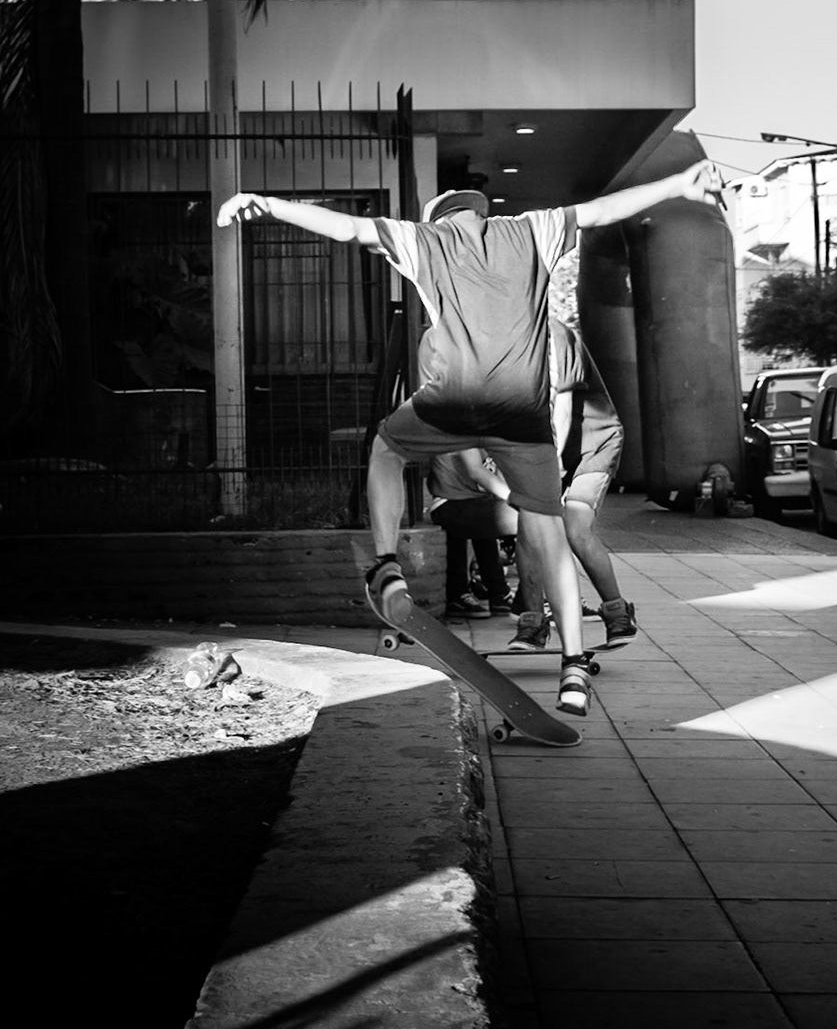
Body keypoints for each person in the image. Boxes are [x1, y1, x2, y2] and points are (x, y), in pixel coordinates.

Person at [217, 160, 723, 714]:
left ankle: (386, 564)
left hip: (455, 400)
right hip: (523, 413)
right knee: (549, 534)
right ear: (482, 214)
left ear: (440, 219)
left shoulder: (423, 239)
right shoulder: (532, 229)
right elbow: (605, 210)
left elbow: (347, 227)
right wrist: (680, 183)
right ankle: (574, 667)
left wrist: (266, 204)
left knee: (387, 449)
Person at [508, 316, 637, 653]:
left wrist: (551, 468)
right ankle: (533, 623)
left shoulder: (556, 335)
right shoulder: (503, 338)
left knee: (576, 527)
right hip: (545, 442)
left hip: (594, 441)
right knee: (527, 528)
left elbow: (562, 410)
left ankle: (617, 613)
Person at [427, 448, 517, 620]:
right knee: (521, 518)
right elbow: (479, 475)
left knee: (485, 525)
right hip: (448, 502)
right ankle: (461, 594)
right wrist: (514, 500)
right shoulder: (463, 431)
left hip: (471, 501)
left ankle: (498, 594)